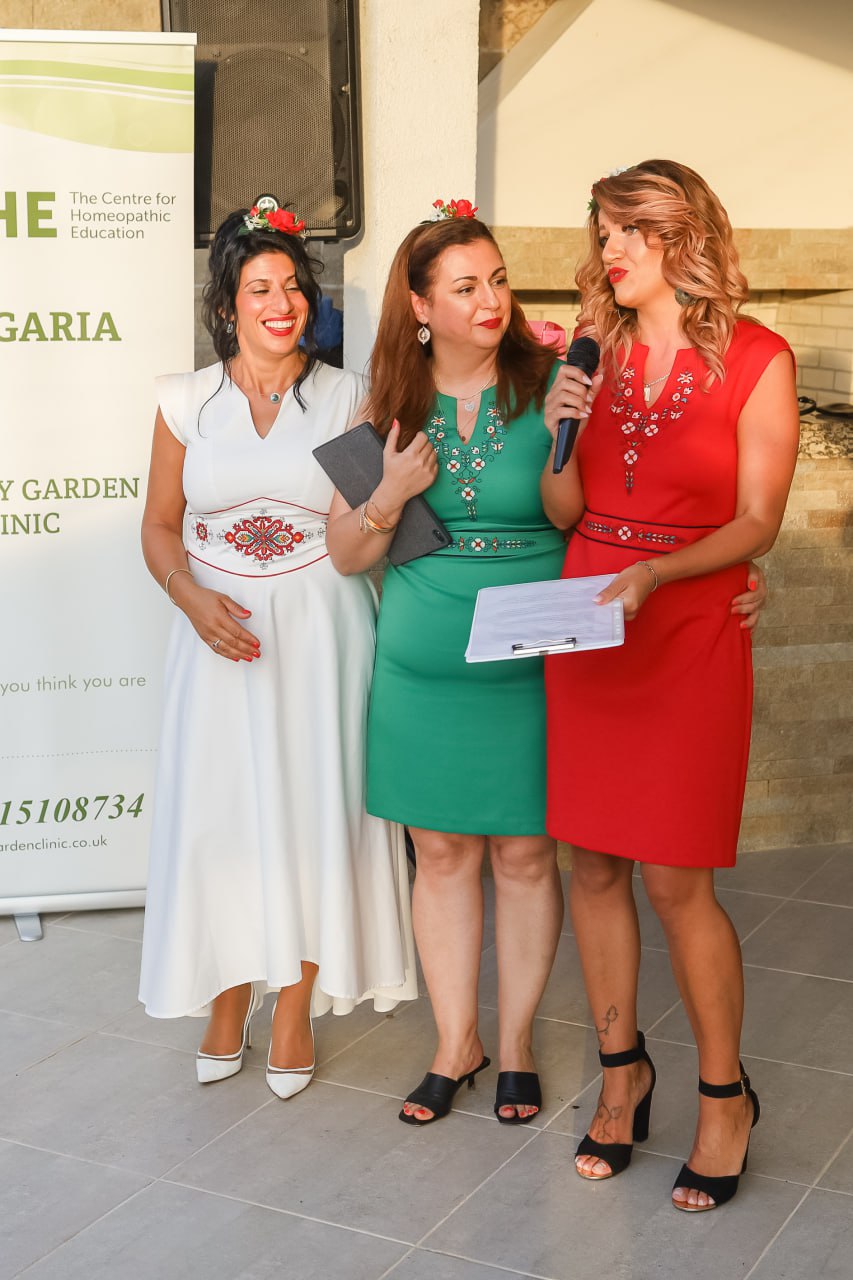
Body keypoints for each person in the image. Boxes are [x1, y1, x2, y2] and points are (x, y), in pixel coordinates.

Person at [325, 200, 769, 1128]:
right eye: (465, 287)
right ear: (419, 307)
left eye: (497, 280)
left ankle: (519, 1045)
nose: (491, 300)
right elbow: (347, 553)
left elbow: (622, 506)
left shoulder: (562, 378)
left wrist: (730, 572)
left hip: (537, 660)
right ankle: (456, 1045)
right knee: (438, 854)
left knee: (528, 857)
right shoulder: (386, 407)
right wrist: (388, 496)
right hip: (420, 671)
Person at [542, 160, 799, 1210]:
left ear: (681, 238)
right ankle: (621, 1075)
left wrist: (659, 572)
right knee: (593, 865)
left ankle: (725, 1097)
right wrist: (560, 424)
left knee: (675, 880)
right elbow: (563, 510)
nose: (608, 250)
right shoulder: (586, 354)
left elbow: (758, 521)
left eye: (629, 231)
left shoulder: (759, 358)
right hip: (588, 621)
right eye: (602, 231)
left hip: (687, 621)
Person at [138, 197, 416, 1097]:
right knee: (218, 816)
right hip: (214, 639)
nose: (280, 303)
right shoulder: (184, 402)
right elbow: (160, 525)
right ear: (228, 304)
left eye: (293, 286)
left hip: (321, 632)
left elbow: (372, 535)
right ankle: (226, 997)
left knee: (311, 813)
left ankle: (294, 1003)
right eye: (259, 287)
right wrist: (189, 598)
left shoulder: (347, 398)